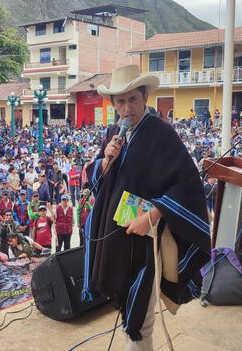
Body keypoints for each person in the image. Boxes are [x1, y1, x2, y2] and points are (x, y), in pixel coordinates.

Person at [85, 65, 210, 349]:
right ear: (113, 104)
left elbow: (187, 185)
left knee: (141, 318)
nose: (126, 107)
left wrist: (152, 216)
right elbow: (98, 177)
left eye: (132, 100)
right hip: (117, 234)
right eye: (120, 101)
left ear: (144, 99)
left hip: (145, 238)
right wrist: (105, 161)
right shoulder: (113, 133)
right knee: (127, 310)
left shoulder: (161, 135)